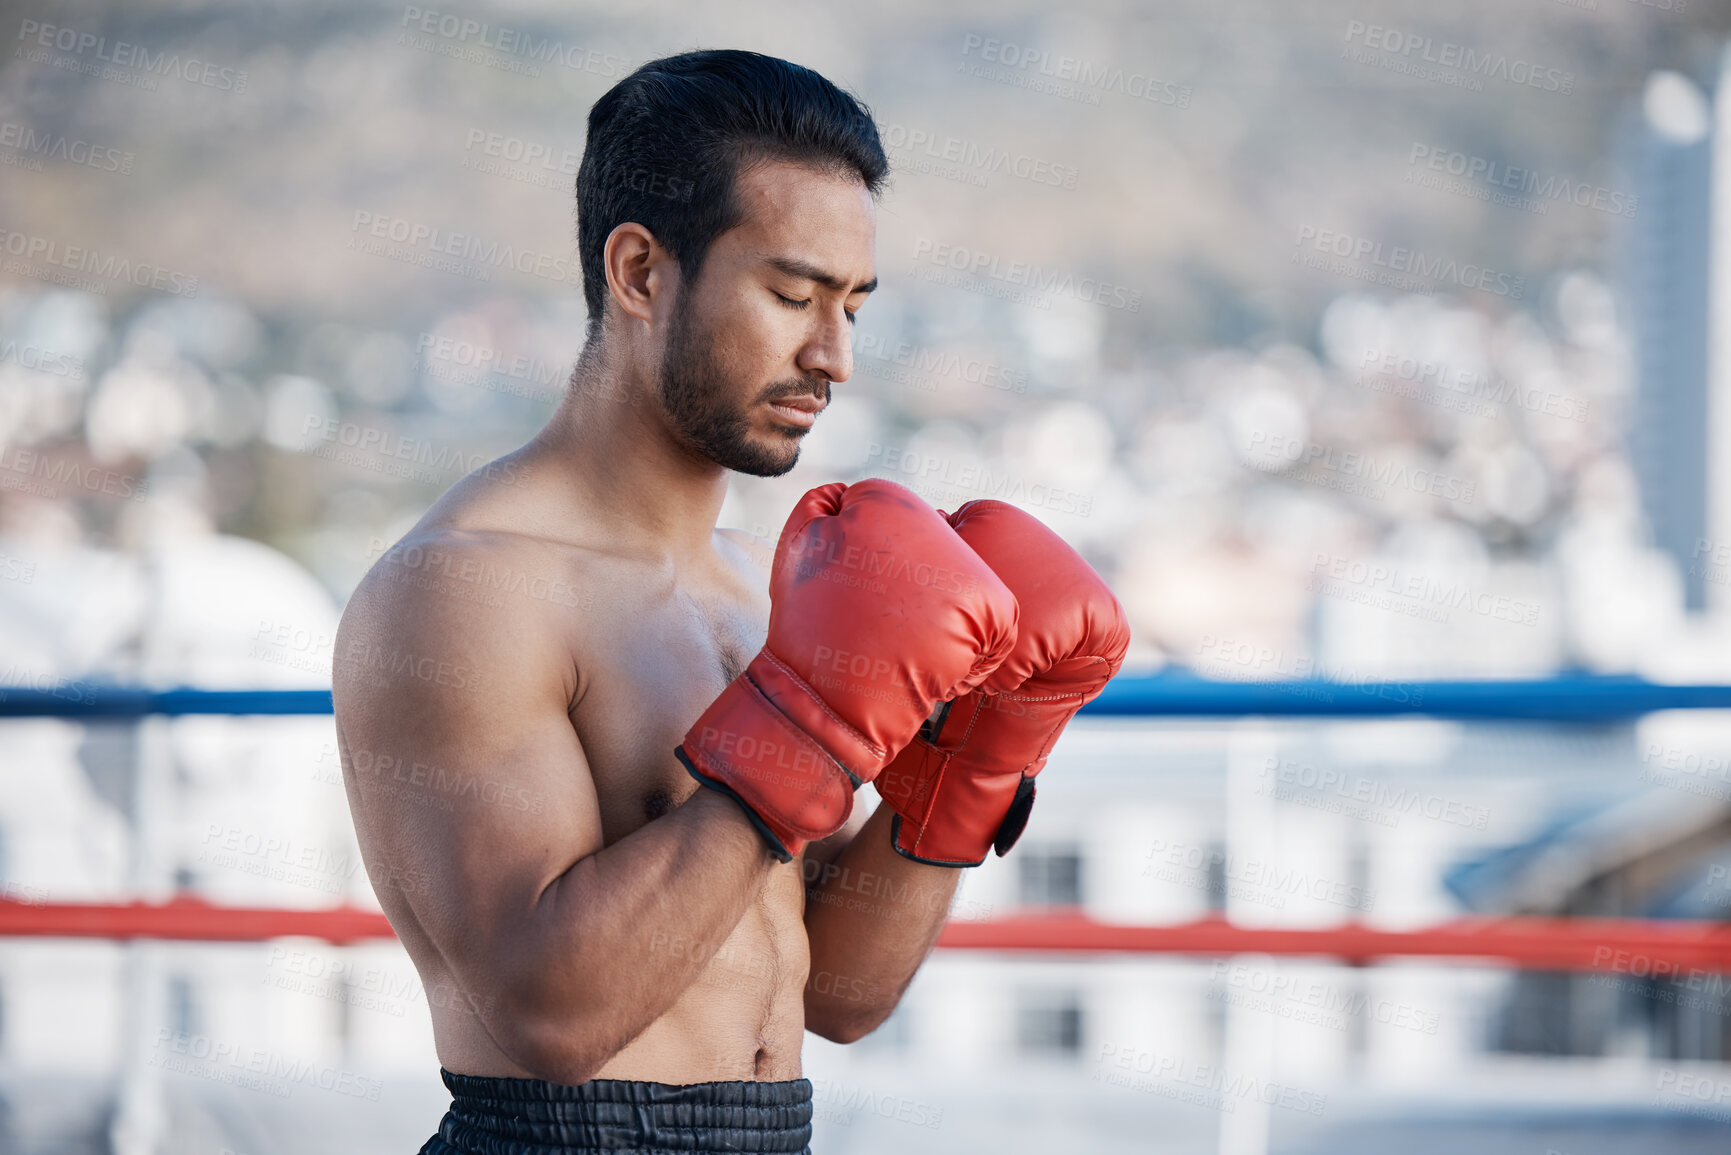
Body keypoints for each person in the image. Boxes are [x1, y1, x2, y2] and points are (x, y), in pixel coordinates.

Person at [332, 48, 1128, 1155]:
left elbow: (841, 995)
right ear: (642, 274)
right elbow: (550, 1017)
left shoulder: (768, 583)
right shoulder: (464, 591)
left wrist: (972, 758)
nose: (834, 355)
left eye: (853, 305)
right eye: (793, 295)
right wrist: (804, 726)